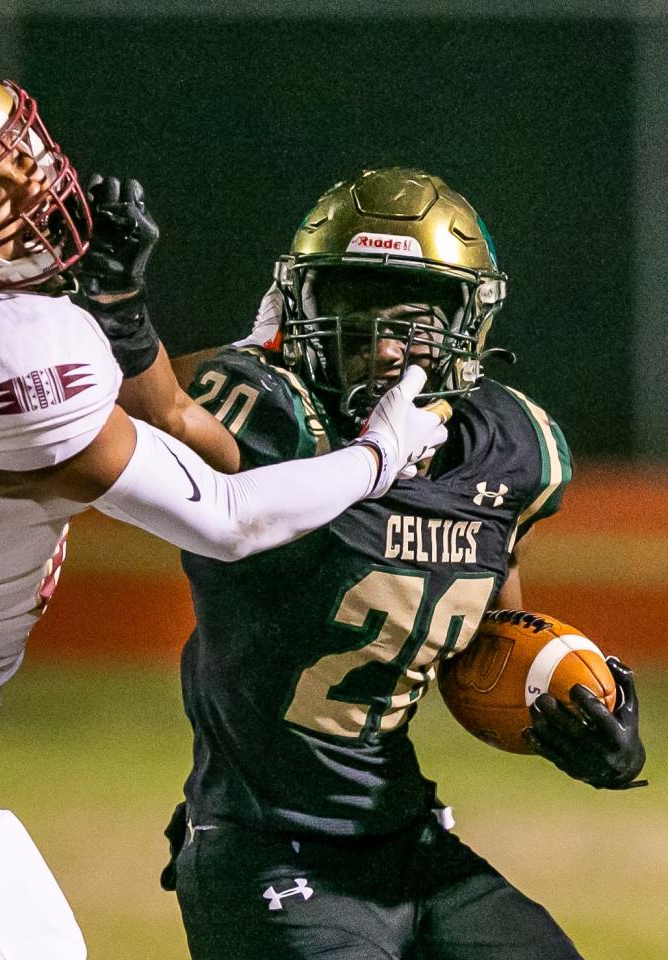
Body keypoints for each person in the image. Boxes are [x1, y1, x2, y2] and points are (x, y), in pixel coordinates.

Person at [0, 59, 448, 960]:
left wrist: (116, 313)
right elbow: (226, 513)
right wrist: (377, 454)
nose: (32, 186)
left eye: (20, 152)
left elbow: (154, 409)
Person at [164, 167, 647, 960]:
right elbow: (112, 408)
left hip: (405, 839)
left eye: (414, 319)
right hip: (263, 844)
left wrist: (572, 711)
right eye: (353, 313)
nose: (385, 346)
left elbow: (490, 637)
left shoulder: (511, 446)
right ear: (302, 307)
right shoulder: (272, 418)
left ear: (465, 323)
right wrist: (144, 328)